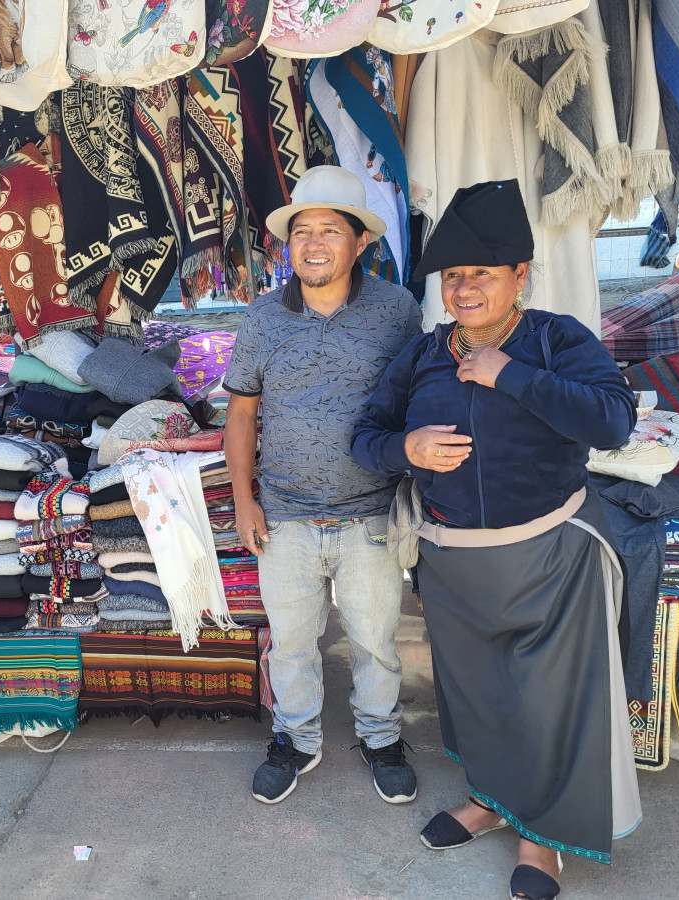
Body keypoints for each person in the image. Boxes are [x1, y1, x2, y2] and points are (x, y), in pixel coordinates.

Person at [351, 180, 642, 900]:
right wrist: (407, 449)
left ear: (520, 276)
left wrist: (509, 374)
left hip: (549, 558)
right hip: (454, 566)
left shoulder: (554, 340)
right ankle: (488, 799)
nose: (465, 288)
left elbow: (611, 422)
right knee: (476, 696)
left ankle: (542, 837)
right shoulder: (421, 355)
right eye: (453, 276)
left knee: (547, 704)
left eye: (482, 273)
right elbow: (365, 438)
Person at [223, 165, 422, 806]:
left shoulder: (396, 311)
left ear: (360, 240)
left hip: (372, 514)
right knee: (292, 645)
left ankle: (381, 737)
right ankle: (296, 739)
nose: (312, 244)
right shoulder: (261, 318)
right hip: (283, 515)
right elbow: (243, 413)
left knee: (374, 642)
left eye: (329, 231)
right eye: (301, 231)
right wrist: (245, 499)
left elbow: (417, 398)